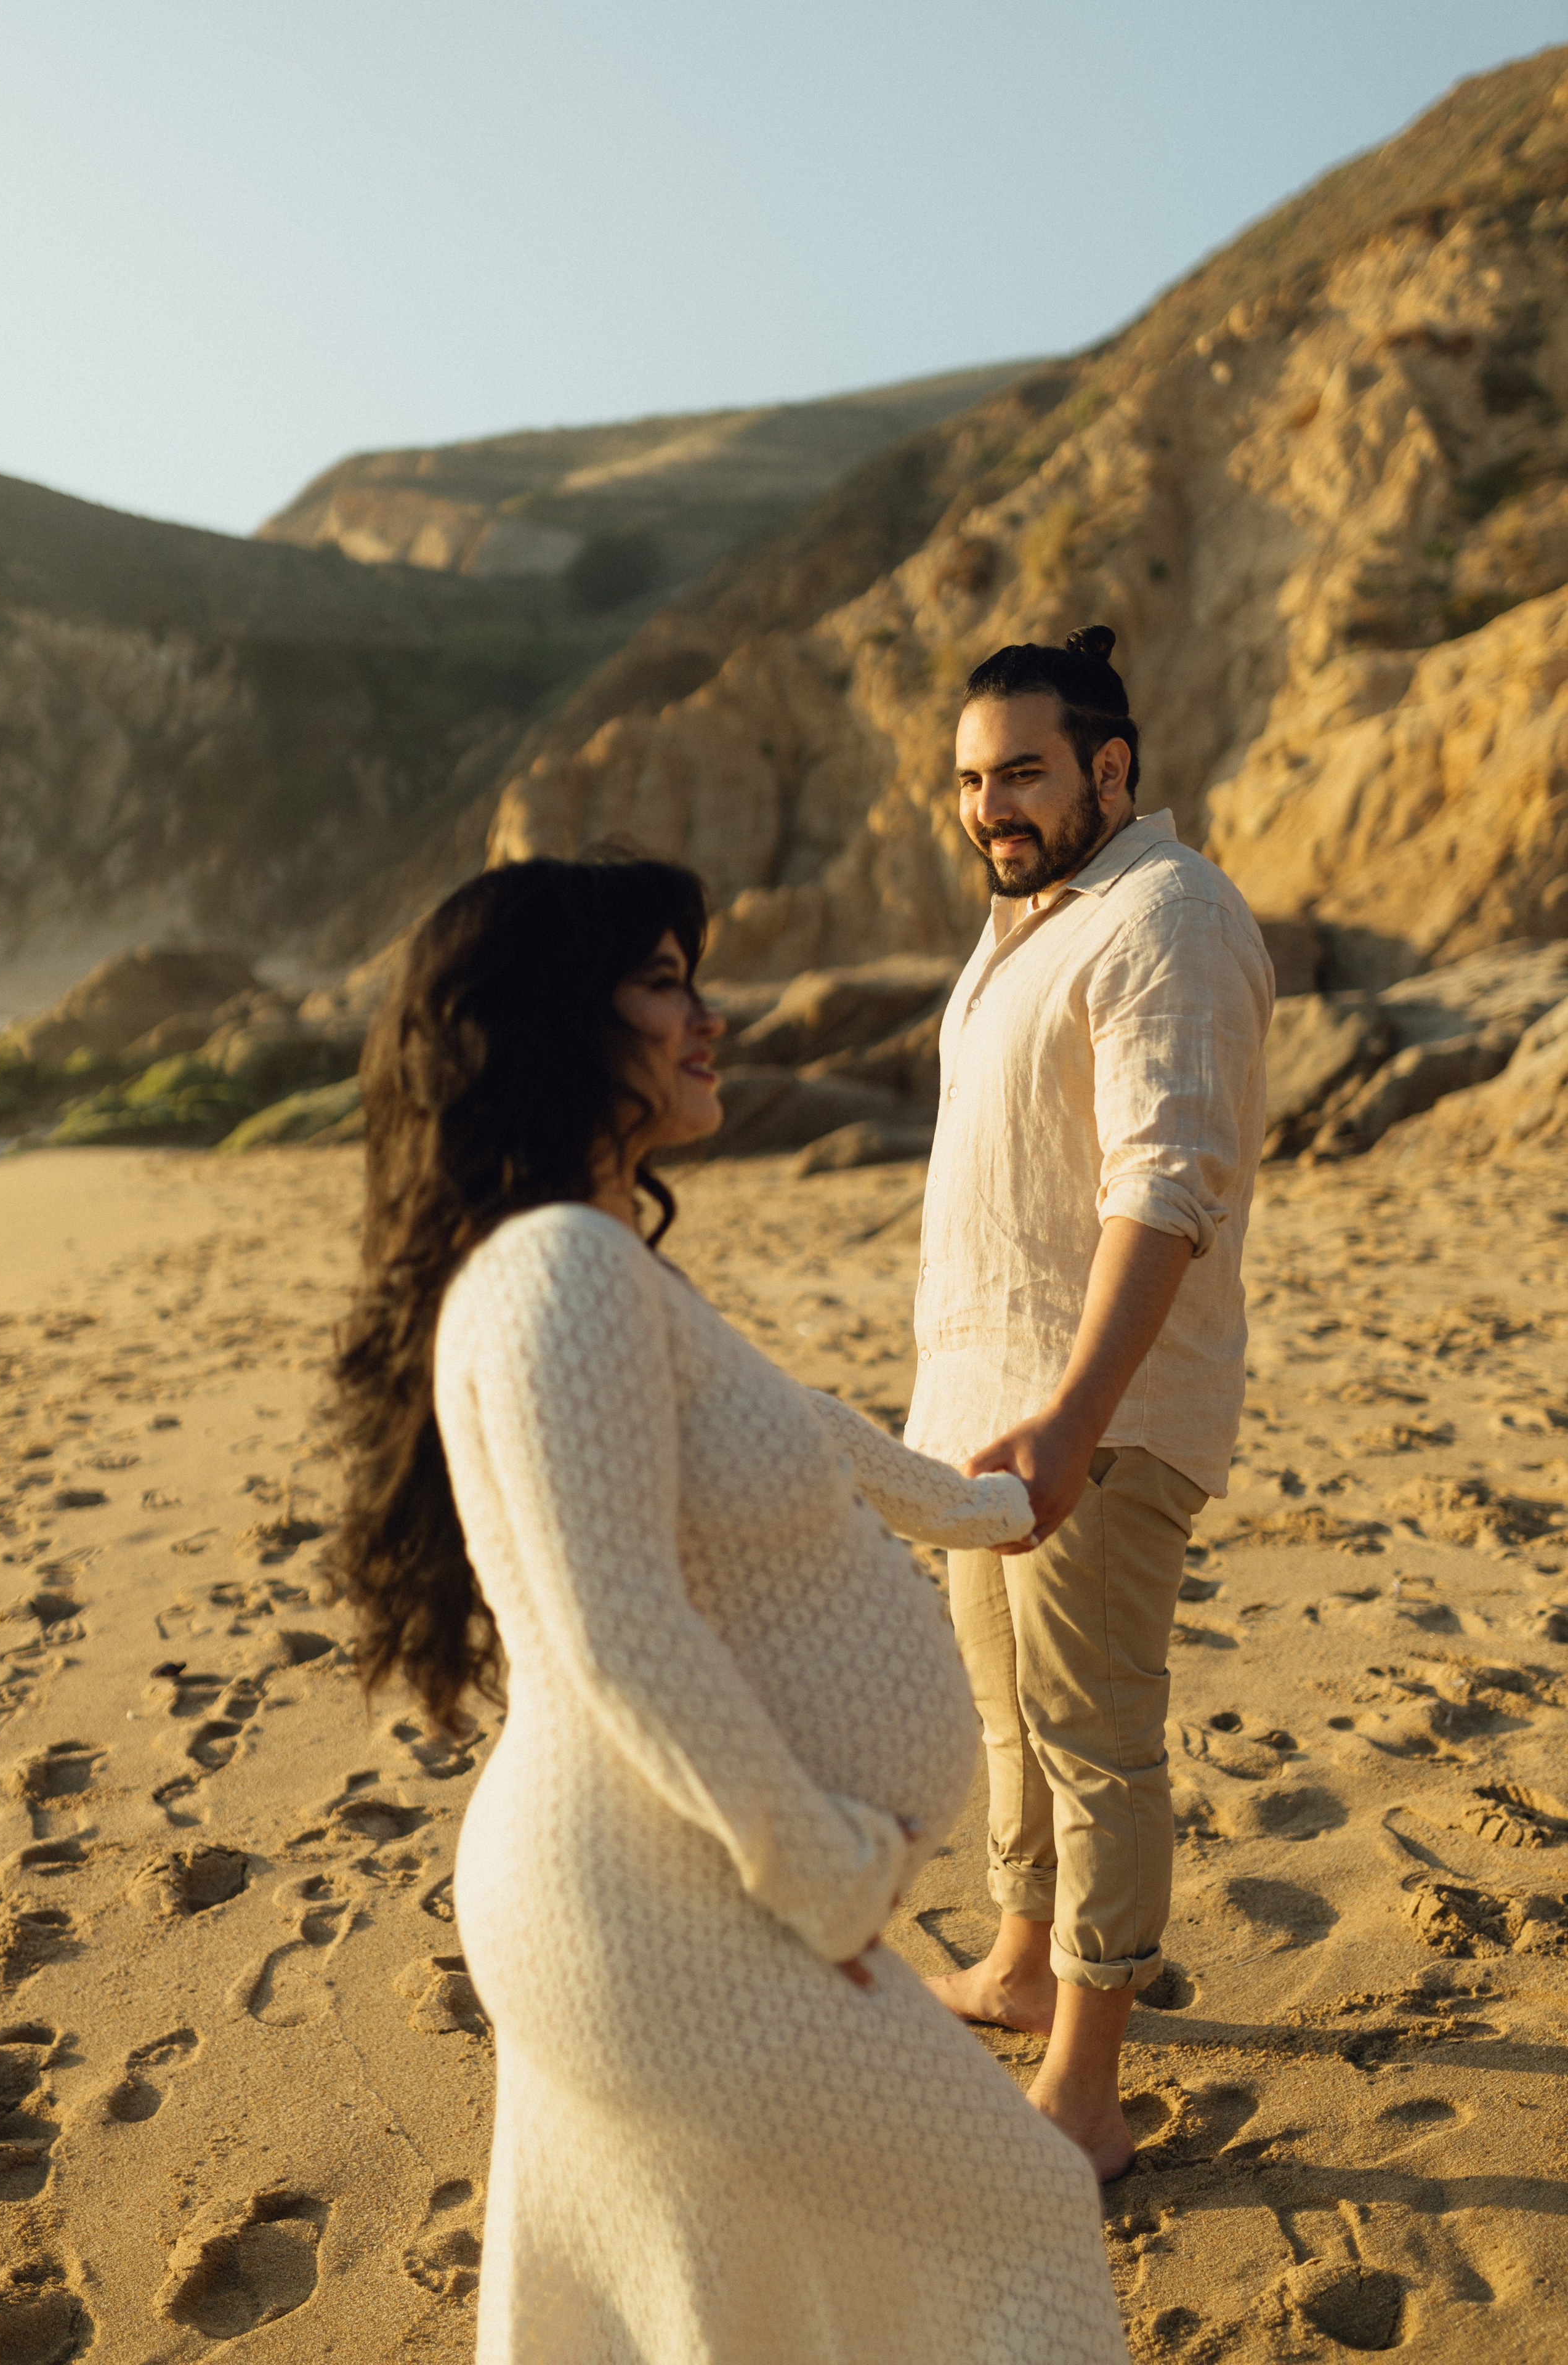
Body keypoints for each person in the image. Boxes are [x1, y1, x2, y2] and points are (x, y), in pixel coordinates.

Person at [329, 852, 1131, 2365]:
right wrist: (822, 1872)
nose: (707, 1017)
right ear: (552, 1020)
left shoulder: (590, 1262)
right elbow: (616, 1631)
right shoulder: (560, 1269)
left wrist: (990, 1508)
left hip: (649, 1884)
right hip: (657, 1904)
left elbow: (803, 1436)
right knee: (1021, 2215)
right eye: (661, 984)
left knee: (703, 2307)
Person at [909, 630, 1274, 2182]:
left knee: (1094, 1744)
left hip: (1097, 1421)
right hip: (980, 1414)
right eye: (970, 780)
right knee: (1008, 1719)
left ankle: (1084, 2090)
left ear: (1107, 769)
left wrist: (1069, 1420)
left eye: (1022, 773)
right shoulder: (1029, 920)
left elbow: (1166, 1184)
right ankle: (1017, 1964)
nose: (989, 805)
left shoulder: (1164, 914)